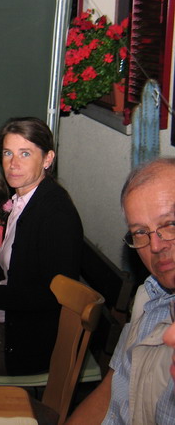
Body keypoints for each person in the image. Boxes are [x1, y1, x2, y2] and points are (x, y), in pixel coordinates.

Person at [0, 117, 83, 376]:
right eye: (8, 153)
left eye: (25, 153)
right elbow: (8, 275)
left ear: (47, 159)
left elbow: (49, 296)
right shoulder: (23, 203)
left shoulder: (55, 213)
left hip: (25, 346)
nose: (13, 163)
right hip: (6, 326)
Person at [67, 158, 175, 425]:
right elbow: (111, 389)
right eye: (140, 232)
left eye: (170, 224)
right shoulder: (149, 295)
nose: (155, 245)